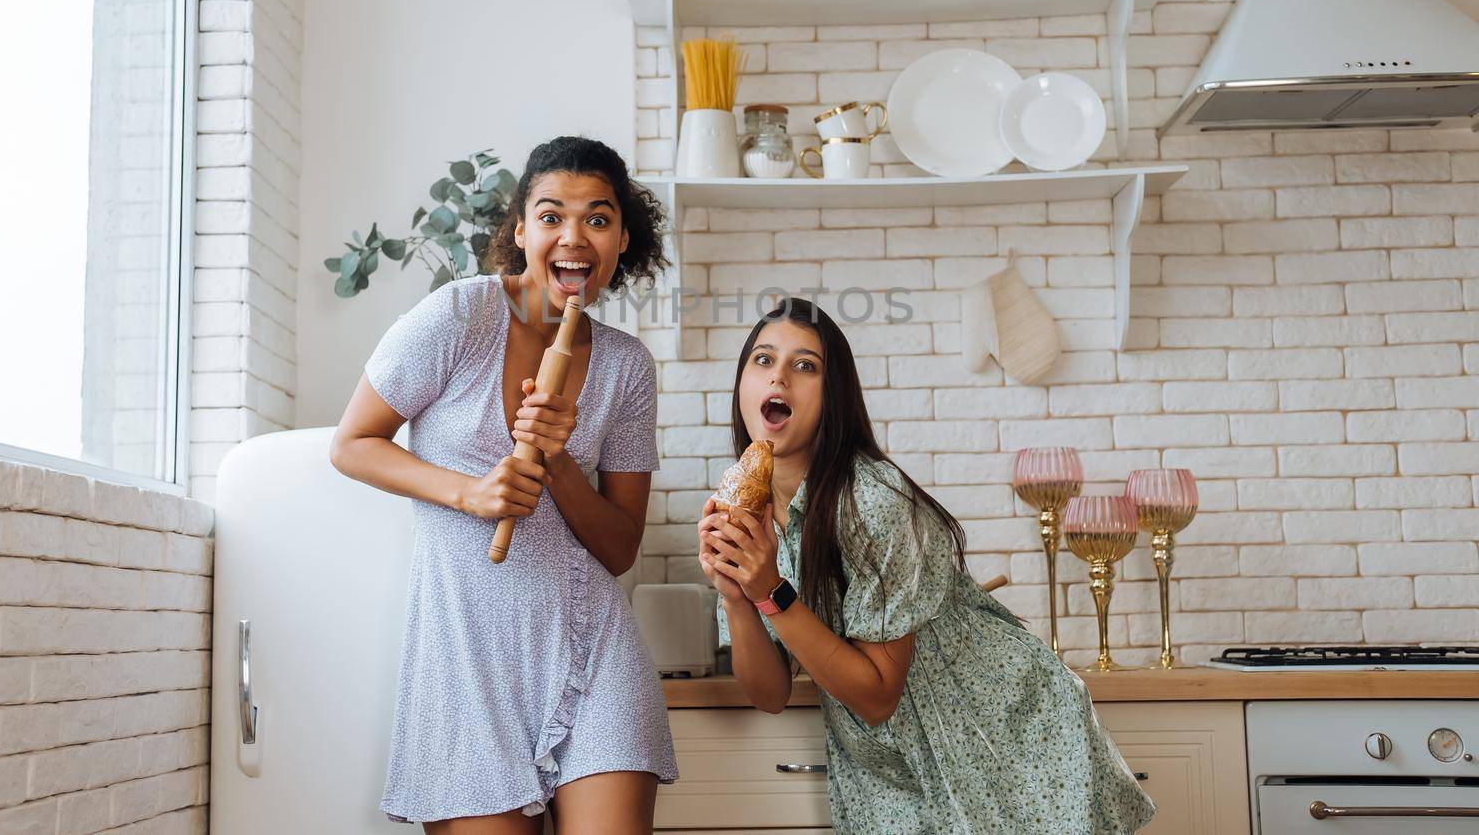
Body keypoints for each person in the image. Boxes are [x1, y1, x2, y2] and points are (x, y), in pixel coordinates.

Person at [698, 299, 1154, 835]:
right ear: (742, 385)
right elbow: (769, 693)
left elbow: (876, 695)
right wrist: (737, 595)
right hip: (889, 766)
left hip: (999, 736)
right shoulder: (743, 513)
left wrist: (771, 590)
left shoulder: (873, 501)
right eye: (763, 359)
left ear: (833, 396)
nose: (780, 375)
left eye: (806, 366)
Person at [332, 136, 678, 834]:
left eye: (598, 218)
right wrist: (472, 492)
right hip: (464, 659)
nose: (573, 236)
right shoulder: (458, 319)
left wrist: (557, 462)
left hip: (592, 649)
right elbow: (351, 444)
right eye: (551, 216)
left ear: (622, 241)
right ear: (519, 231)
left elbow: (619, 547)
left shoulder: (628, 366)